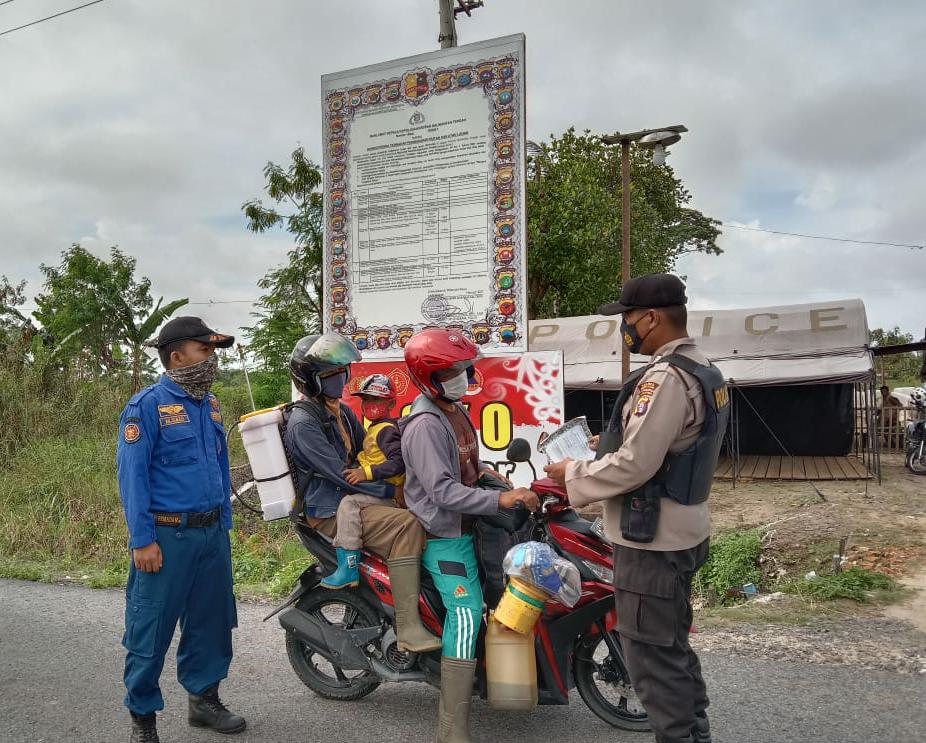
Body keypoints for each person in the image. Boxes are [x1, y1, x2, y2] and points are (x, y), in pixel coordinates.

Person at [545, 274, 730, 743]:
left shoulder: (665, 378)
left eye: (626, 319)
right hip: (684, 530)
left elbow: (635, 465)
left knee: (650, 659)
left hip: (653, 540)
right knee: (672, 648)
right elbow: (667, 444)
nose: (623, 328)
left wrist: (571, 473)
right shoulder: (702, 366)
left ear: (650, 318)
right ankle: (696, 733)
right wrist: (600, 444)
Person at [400, 328, 539, 743]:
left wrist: (486, 475)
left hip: (466, 525)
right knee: (466, 613)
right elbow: (442, 491)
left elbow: (467, 466)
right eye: (453, 370)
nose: (463, 375)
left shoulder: (454, 410)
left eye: (465, 367)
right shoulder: (425, 424)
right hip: (442, 534)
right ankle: (451, 729)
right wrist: (498, 502)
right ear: (430, 377)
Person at [116, 317, 246, 743]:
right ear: (178, 356)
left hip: (211, 536)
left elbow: (220, 469)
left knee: (212, 622)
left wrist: (224, 527)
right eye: (205, 350)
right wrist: (142, 540)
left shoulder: (210, 404)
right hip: (167, 539)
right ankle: (143, 720)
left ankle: (204, 701)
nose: (211, 360)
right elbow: (132, 479)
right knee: (150, 630)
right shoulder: (146, 407)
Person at [284, 332, 441, 653]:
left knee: (425, 515)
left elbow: (365, 453)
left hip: (352, 502)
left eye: (342, 371)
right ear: (310, 381)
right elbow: (340, 475)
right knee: (408, 525)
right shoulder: (304, 423)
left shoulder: (340, 411)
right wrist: (386, 488)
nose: (340, 378)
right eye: (330, 374)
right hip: (331, 513)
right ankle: (409, 627)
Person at [320, 373, 407, 588]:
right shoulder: (376, 427)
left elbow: (398, 463)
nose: (370, 404)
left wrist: (365, 473)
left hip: (390, 491)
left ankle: (348, 566)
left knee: (348, 504)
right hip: (381, 487)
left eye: (377, 399)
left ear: (392, 403)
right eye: (367, 399)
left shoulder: (386, 430)